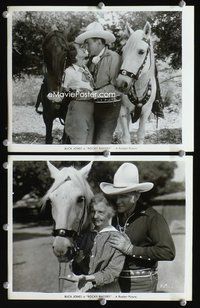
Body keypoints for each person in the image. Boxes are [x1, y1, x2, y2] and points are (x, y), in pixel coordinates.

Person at [100, 163, 176, 293]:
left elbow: (168, 252)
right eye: (116, 195)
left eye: (123, 196)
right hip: (112, 282)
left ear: (136, 196)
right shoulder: (113, 217)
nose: (118, 201)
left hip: (141, 283)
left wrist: (131, 249)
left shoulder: (152, 218)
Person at [60, 193, 125, 292]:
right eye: (92, 211)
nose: (95, 216)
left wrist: (87, 278)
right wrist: (78, 261)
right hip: (84, 290)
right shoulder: (84, 237)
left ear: (111, 213)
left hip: (108, 292)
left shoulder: (118, 238)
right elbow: (78, 270)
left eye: (100, 212)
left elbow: (113, 273)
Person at [75, 22, 122, 144]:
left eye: (88, 43)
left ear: (99, 42)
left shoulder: (114, 57)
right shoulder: (90, 60)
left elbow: (116, 88)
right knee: (86, 142)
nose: (86, 47)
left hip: (109, 109)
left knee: (101, 143)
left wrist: (92, 94)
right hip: (91, 108)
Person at [62, 42, 95, 144]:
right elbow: (64, 89)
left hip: (91, 106)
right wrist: (76, 93)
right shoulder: (69, 71)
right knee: (78, 138)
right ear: (74, 55)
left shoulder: (85, 69)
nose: (84, 48)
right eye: (80, 48)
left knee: (89, 139)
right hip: (78, 106)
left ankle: (85, 160)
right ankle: (74, 159)